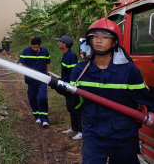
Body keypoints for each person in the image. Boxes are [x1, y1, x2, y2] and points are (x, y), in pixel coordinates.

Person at [52, 18, 154, 164]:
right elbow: (77, 104)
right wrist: (66, 91)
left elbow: (144, 97)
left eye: (105, 37)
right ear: (90, 40)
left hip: (123, 136)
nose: (99, 41)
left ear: (114, 42)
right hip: (93, 136)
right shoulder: (80, 70)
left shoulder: (128, 70)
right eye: (95, 37)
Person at [18, 37, 51, 126]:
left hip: (42, 79)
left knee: (42, 97)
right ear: (31, 45)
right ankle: (37, 116)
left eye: (37, 47)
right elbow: (21, 62)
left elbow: (47, 62)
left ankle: (44, 119)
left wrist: (46, 73)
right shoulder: (26, 51)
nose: (35, 49)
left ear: (40, 46)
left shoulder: (45, 51)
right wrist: (19, 68)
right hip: (31, 79)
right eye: (33, 47)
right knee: (32, 97)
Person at [56, 35, 82, 140]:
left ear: (65, 44)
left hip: (71, 86)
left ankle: (81, 131)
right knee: (70, 107)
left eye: (60, 42)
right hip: (66, 85)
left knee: (76, 108)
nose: (59, 43)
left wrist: (69, 86)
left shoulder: (71, 56)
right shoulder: (66, 54)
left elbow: (73, 73)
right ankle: (74, 128)